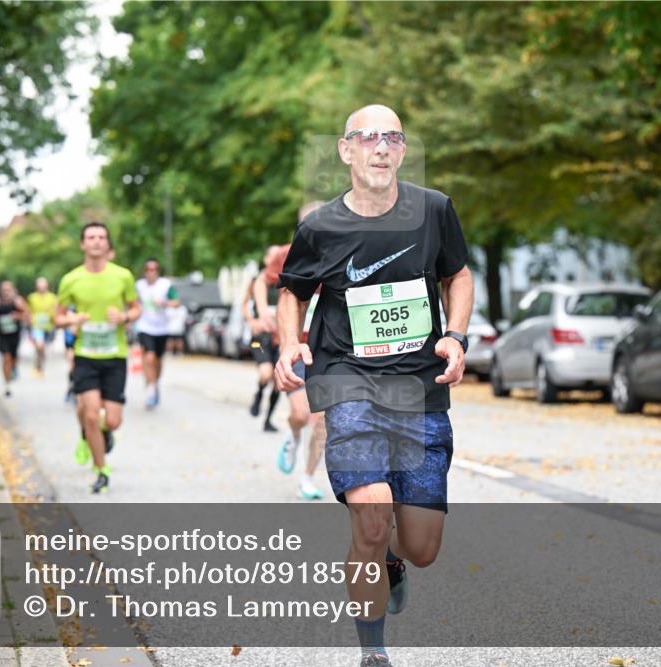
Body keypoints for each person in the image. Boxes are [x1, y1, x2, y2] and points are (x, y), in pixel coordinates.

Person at [274, 105, 473, 667]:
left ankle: (393, 556)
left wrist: (455, 336)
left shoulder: (433, 210)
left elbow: (456, 273)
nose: (380, 148)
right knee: (370, 511)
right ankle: (374, 652)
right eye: (368, 138)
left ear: (403, 151)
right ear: (346, 150)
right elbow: (293, 290)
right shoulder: (320, 228)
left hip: (419, 388)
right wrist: (291, 345)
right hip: (349, 384)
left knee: (421, 547)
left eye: (392, 138)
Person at [56, 222, 140, 494]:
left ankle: (92, 434)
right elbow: (57, 317)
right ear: (82, 244)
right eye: (91, 237)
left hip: (115, 355)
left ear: (107, 244)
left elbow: (136, 308)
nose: (96, 241)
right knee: (92, 415)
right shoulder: (71, 279)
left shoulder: (123, 276)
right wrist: (72, 318)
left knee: (111, 421)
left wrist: (125, 317)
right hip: (85, 355)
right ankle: (101, 469)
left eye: (101, 237)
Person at [276, 202, 328, 501]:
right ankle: (293, 434)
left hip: (326, 350)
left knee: (320, 418)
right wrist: (262, 314)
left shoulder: (345, 250)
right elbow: (260, 283)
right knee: (300, 413)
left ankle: (307, 477)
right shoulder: (285, 255)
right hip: (295, 348)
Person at [244, 245, 288, 432]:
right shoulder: (257, 280)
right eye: (273, 255)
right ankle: (259, 394)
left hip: (279, 337)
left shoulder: (285, 279)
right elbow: (244, 304)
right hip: (259, 338)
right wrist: (252, 320)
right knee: (266, 373)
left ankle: (268, 419)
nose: (276, 258)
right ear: (266, 259)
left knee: (278, 380)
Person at [133, 258, 178, 409]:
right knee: (149, 356)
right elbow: (132, 304)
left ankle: (155, 383)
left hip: (162, 328)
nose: (151, 273)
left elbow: (176, 302)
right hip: (144, 327)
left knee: (158, 361)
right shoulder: (139, 286)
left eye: (154, 270)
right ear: (144, 271)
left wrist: (165, 303)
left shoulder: (165, 285)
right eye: (148, 270)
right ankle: (150, 389)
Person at [0, 281, 28, 397]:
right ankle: (7, 385)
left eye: (8, 290)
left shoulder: (18, 301)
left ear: (12, 290)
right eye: (4, 290)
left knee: (13, 357)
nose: (6, 292)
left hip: (15, 334)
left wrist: (17, 316)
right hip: (2, 335)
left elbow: (27, 315)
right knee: (5, 358)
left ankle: (14, 368)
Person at [27, 277, 57, 376]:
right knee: (40, 346)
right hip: (36, 326)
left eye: (43, 285)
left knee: (43, 348)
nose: (41, 287)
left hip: (48, 327)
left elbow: (56, 310)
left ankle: (40, 366)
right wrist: (29, 320)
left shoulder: (53, 297)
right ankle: (38, 366)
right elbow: (28, 311)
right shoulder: (32, 297)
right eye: (39, 285)